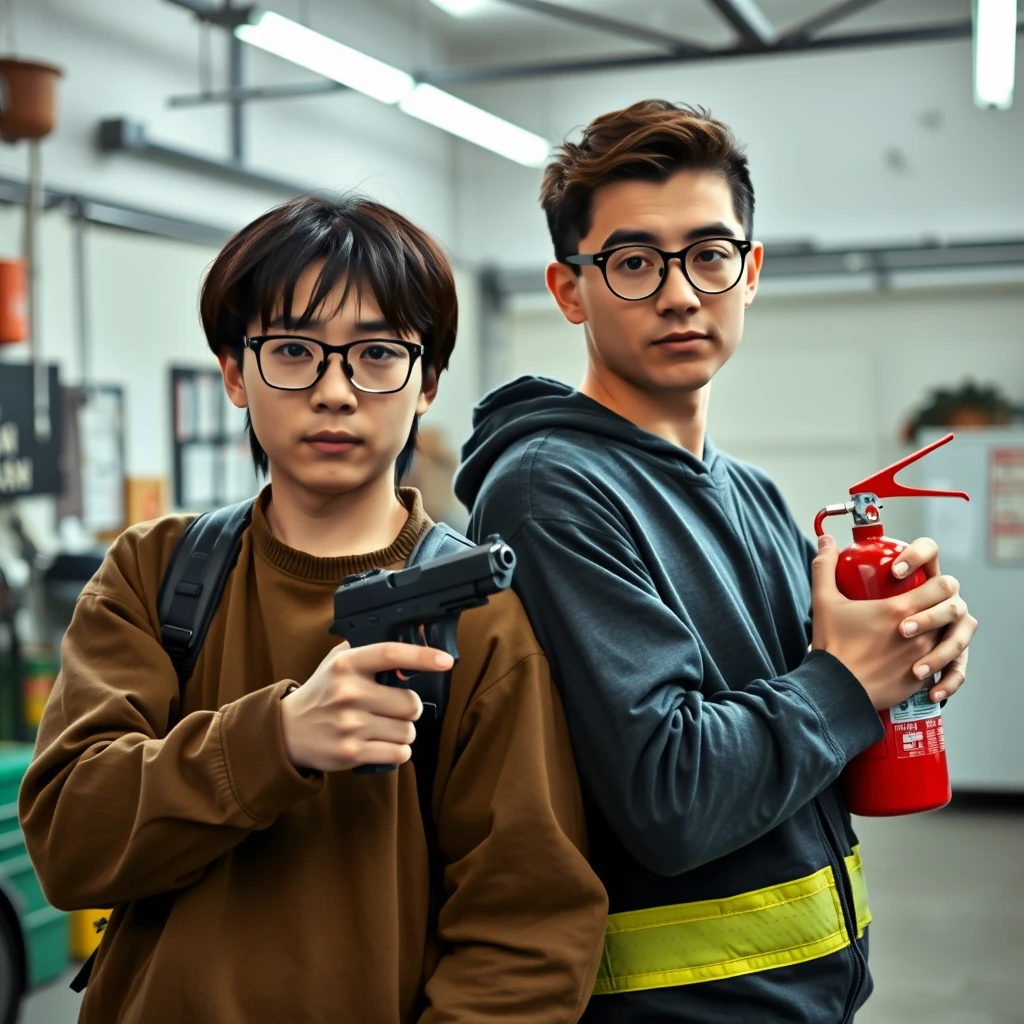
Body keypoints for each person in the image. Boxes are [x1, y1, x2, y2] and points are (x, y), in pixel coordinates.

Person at [19, 193, 607, 1024]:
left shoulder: (479, 620)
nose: (335, 391)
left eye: (376, 354)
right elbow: (69, 845)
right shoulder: (154, 574)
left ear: (427, 383)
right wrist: (277, 739)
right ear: (234, 373)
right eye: (294, 350)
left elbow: (529, 934)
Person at [455, 101, 978, 1023]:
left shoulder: (754, 494)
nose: (679, 292)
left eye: (709, 254)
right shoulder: (550, 491)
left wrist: (908, 662)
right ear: (569, 289)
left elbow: (820, 721)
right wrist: (850, 683)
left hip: (808, 994)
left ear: (750, 272)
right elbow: (673, 797)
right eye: (631, 262)